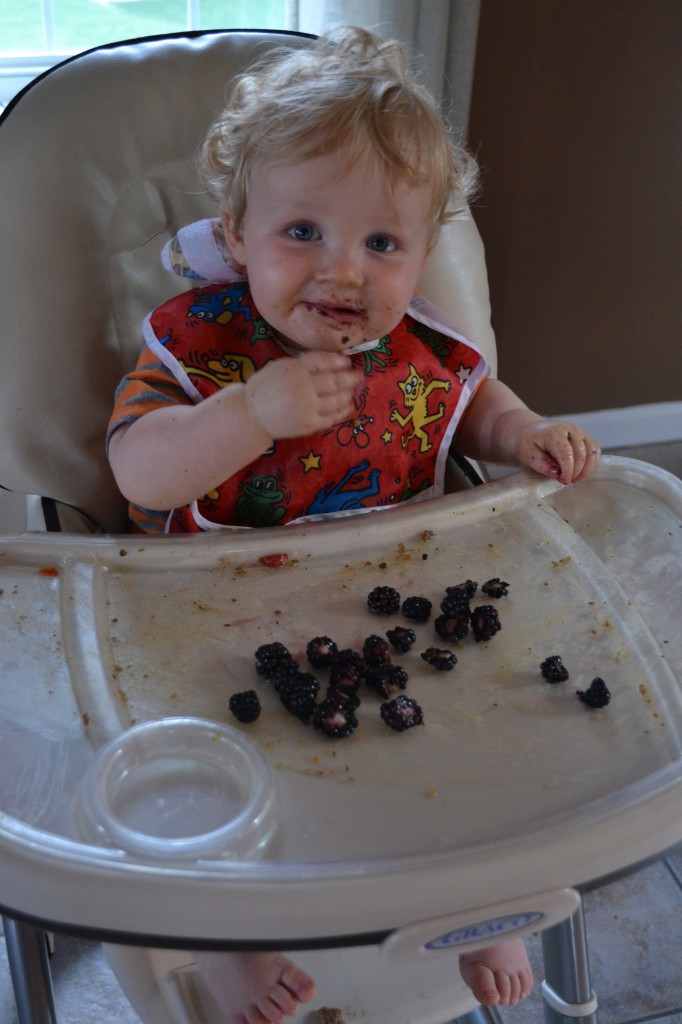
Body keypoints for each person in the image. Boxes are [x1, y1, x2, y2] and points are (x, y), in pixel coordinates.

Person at [107, 25, 600, 1023]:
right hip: (215, 615)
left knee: (471, 739)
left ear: (418, 256)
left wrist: (527, 433)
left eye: (381, 244)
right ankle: (236, 938)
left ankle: (481, 898)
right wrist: (249, 414)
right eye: (302, 234)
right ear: (237, 232)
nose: (343, 271)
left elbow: (479, 404)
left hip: (398, 596)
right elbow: (138, 469)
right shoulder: (201, 350)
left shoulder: (414, 348)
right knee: (208, 768)